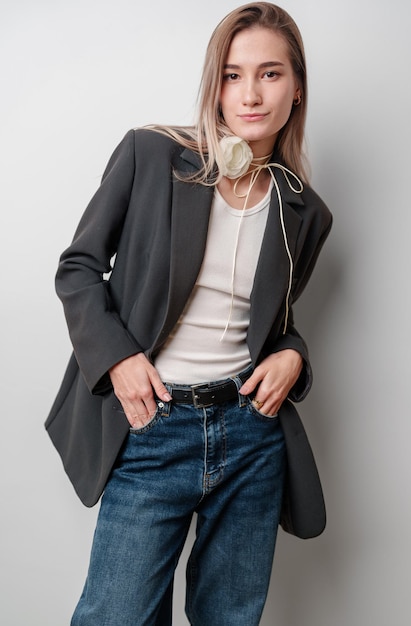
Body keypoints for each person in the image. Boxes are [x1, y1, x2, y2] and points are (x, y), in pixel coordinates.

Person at [46, 3, 332, 625]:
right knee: (114, 616)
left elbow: (271, 324)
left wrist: (294, 356)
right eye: (232, 75)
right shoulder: (151, 155)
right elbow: (77, 268)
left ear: (297, 85)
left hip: (252, 433)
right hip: (153, 425)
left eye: (270, 73)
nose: (250, 94)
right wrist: (119, 358)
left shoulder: (304, 212)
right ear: (214, 84)